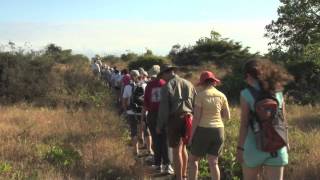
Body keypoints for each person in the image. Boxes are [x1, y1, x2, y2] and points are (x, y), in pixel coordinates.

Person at [236, 59, 293, 180]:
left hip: (252, 147)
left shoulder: (245, 94)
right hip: (277, 146)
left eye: (245, 76)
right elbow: (284, 121)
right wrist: (286, 142)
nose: (245, 80)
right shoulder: (278, 92)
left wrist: (240, 148)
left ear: (250, 76)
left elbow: (244, 125)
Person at [188, 71, 230, 180]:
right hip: (219, 130)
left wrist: (191, 137)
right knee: (213, 162)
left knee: (193, 160)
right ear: (214, 82)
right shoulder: (222, 95)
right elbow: (227, 116)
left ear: (202, 83)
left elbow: (196, 118)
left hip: (203, 129)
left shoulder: (200, 96)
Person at [157, 64, 196, 180]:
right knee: (183, 148)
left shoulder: (166, 86)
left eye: (162, 75)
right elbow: (195, 103)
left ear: (166, 73)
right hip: (189, 118)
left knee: (176, 150)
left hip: (175, 120)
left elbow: (164, 109)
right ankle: (183, 175)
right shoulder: (189, 83)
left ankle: (178, 177)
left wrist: (160, 125)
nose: (162, 78)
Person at [143, 65, 173, 174]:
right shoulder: (166, 84)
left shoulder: (149, 85)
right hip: (164, 114)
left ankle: (158, 164)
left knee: (156, 140)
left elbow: (145, 103)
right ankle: (167, 165)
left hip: (152, 115)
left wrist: (143, 118)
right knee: (165, 140)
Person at [122, 70, 147, 155]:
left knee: (133, 130)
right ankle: (147, 146)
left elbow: (124, 100)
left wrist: (125, 110)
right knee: (145, 128)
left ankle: (135, 150)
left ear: (130, 76)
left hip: (131, 111)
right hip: (142, 111)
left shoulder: (127, 87)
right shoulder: (144, 85)